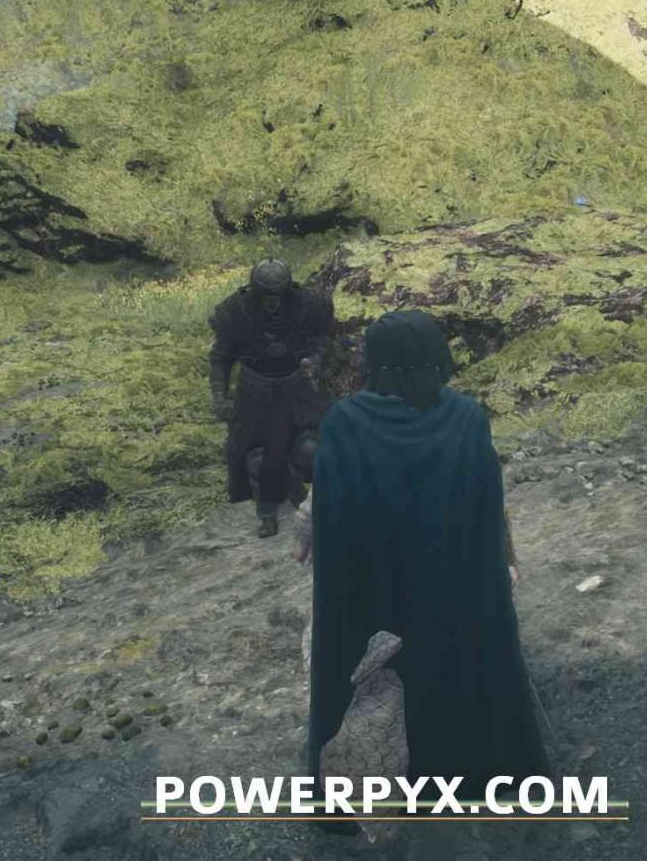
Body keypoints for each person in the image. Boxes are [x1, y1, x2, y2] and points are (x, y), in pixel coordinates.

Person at [303, 310, 548, 808]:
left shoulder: (345, 423)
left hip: (376, 589)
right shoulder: (466, 416)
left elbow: (334, 516)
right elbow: (486, 505)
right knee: (458, 668)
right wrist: (500, 561)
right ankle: (476, 775)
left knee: (386, 677)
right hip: (455, 581)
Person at [208, 259, 334, 538]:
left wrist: (314, 361)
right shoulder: (235, 311)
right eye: (267, 297)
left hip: (296, 386)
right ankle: (267, 512)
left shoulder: (307, 305)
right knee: (256, 456)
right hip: (255, 390)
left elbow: (321, 339)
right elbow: (221, 357)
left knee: (311, 447)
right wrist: (219, 395)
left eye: (278, 296)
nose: (273, 304)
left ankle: (309, 499)